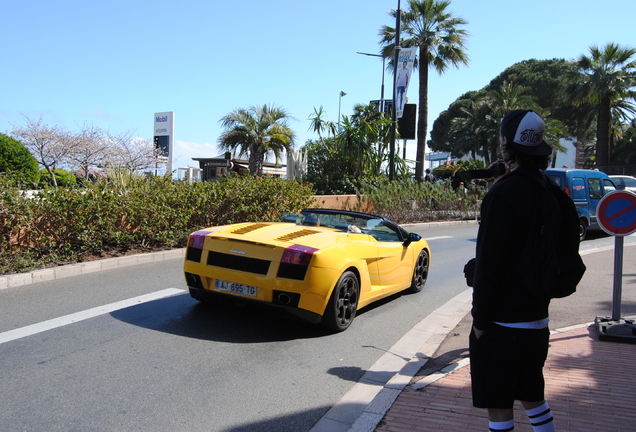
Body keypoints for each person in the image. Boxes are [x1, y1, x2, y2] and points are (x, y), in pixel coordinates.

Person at [470, 110, 570, 432]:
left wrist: (481, 323)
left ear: (505, 144)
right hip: (537, 319)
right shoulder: (550, 191)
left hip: (501, 323)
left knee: (499, 409)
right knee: (533, 398)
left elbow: (489, 266)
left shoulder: (502, 194)